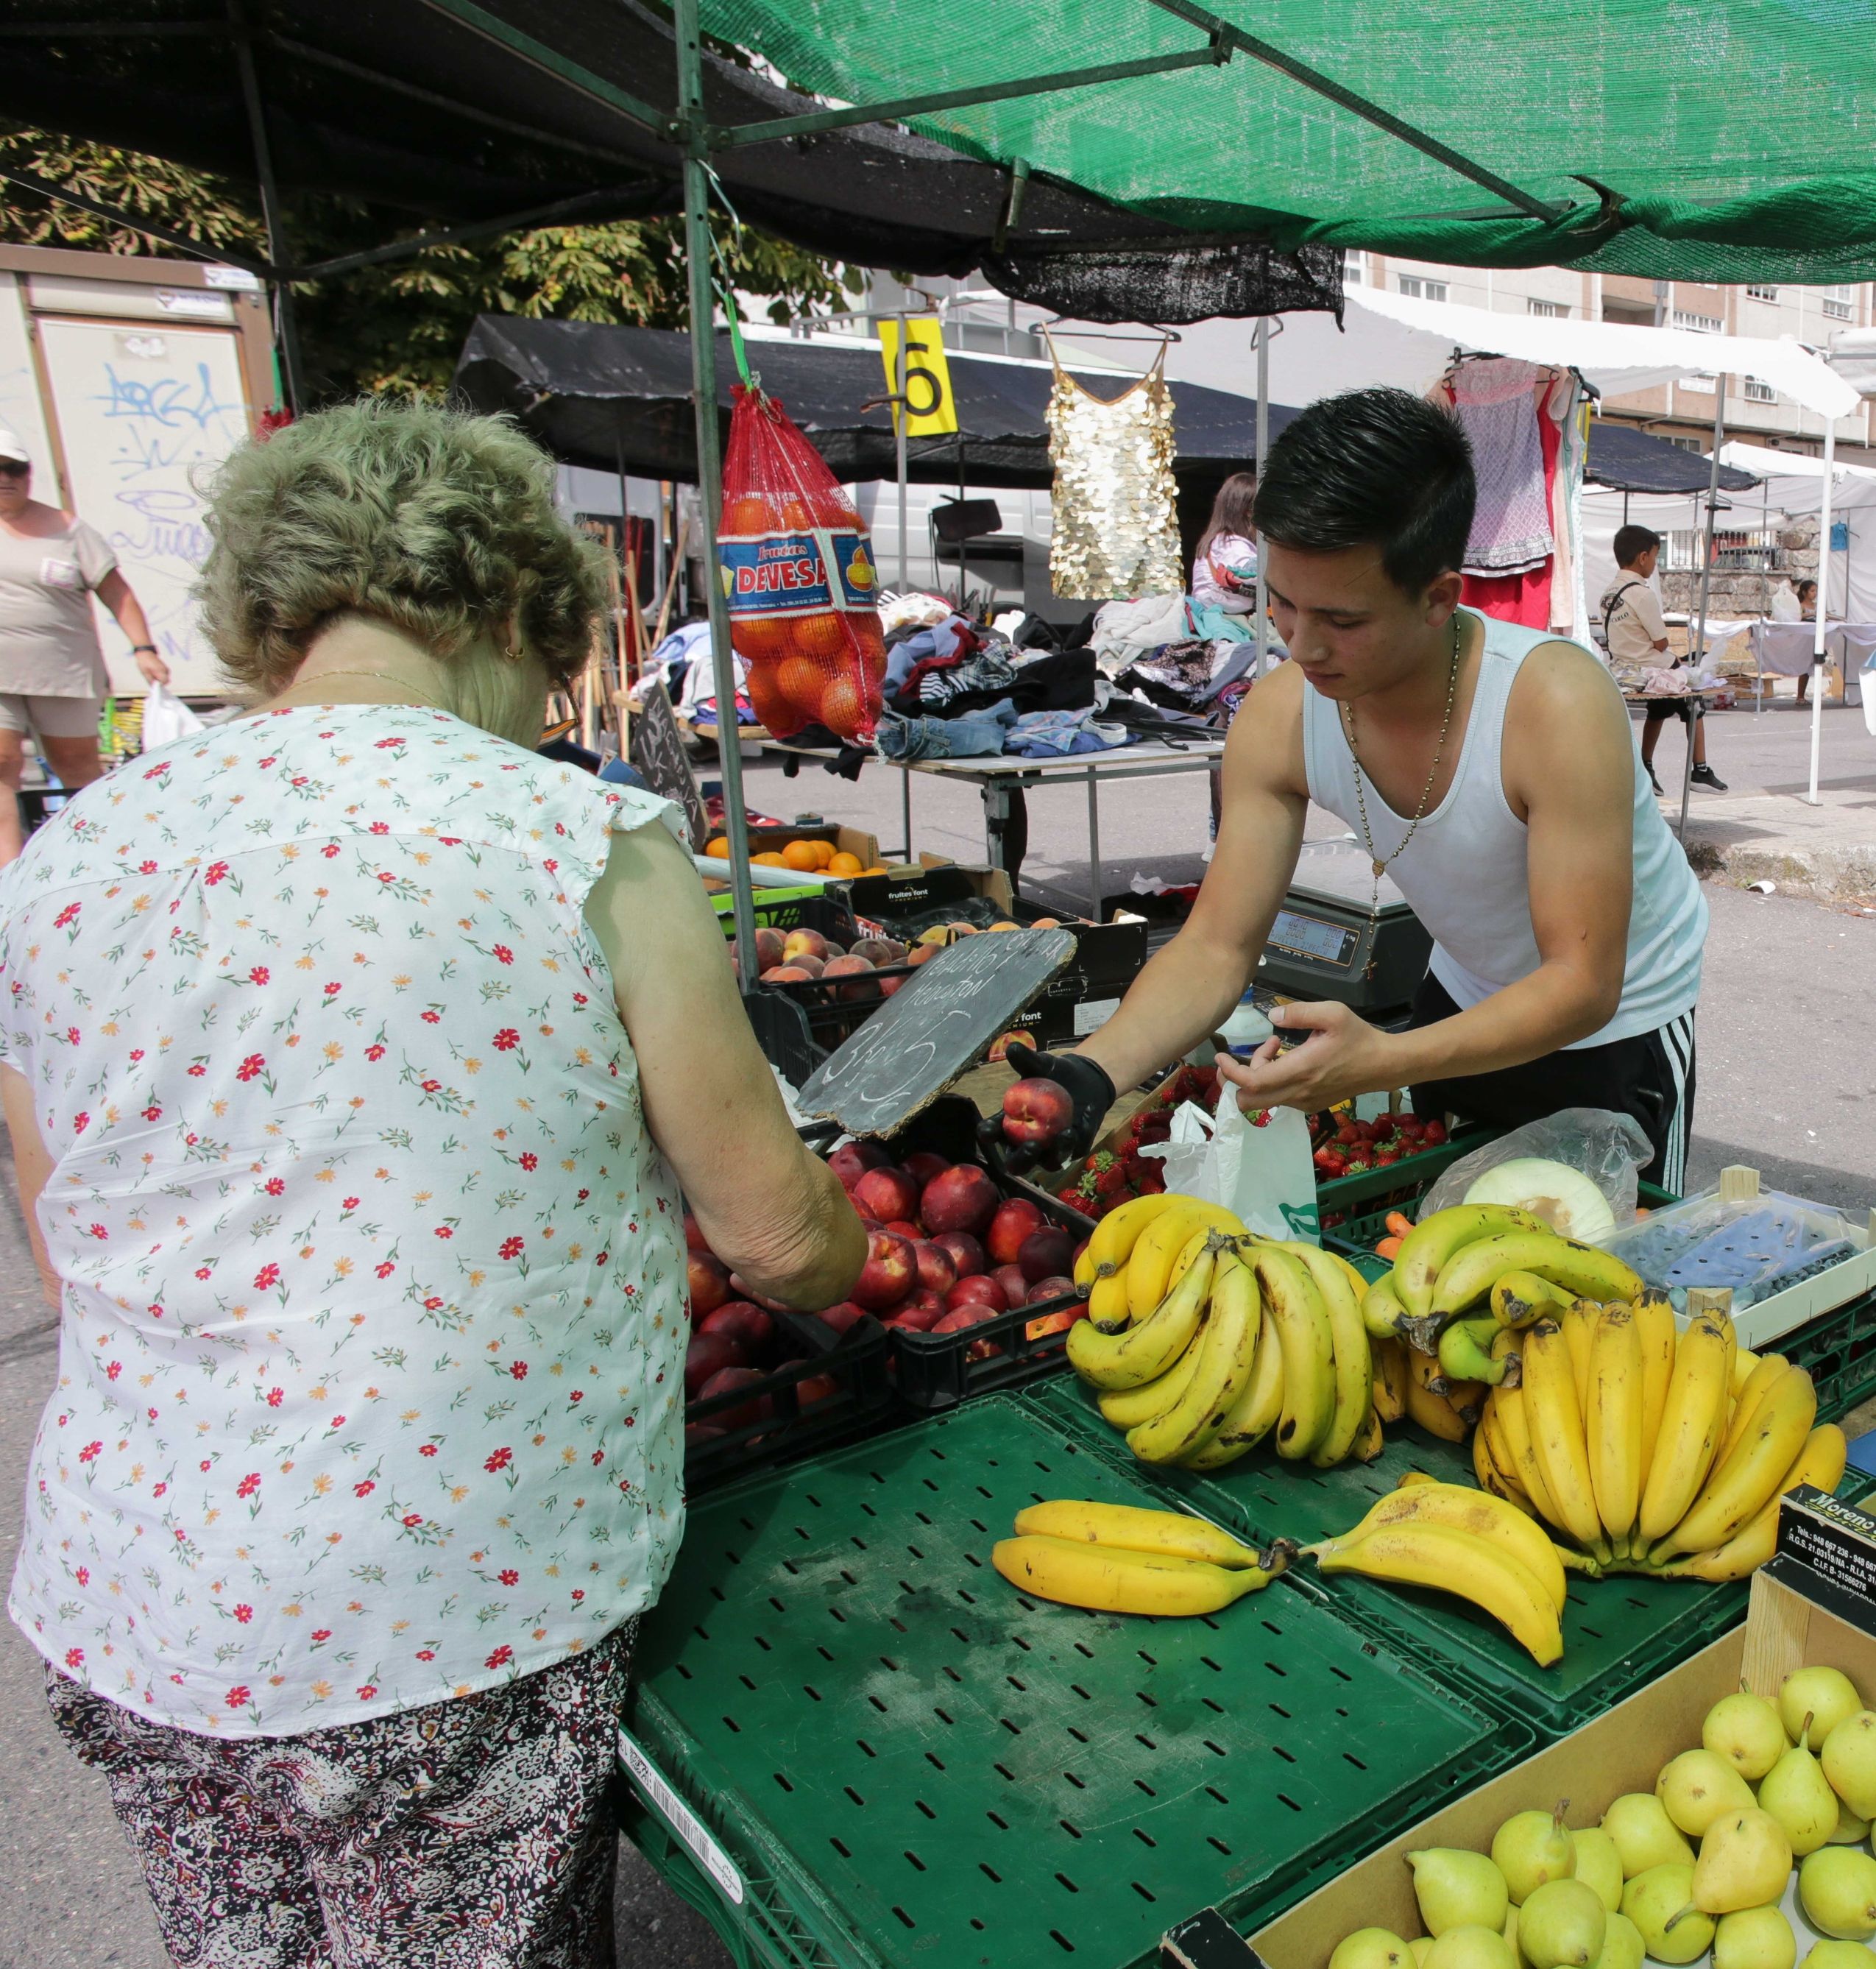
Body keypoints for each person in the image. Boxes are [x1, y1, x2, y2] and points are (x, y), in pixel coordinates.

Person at [0, 400, 863, 1968]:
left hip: (127, 1601)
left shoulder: (62, 858)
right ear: (519, 609)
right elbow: (775, 1236)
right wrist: (836, 1225)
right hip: (432, 1616)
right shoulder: (576, 837)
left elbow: (72, 1245)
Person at [1005, 387, 1707, 1192]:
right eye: (1281, 603)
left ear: (1437, 597)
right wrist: (1093, 1071)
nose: (1301, 645)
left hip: (1615, 1029)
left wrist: (1383, 1054)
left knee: (1605, 1270)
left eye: (1340, 620)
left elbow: (1581, 984)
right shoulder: (1279, 717)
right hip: (1465, 993)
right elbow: (1214, 946)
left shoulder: (1552, 706)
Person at [0, 423, 169, 866]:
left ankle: (96, 860)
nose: (5, 478)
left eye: (14, 469)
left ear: (30, 474)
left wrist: (143, 648)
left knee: (76, 767)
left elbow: (117, 592)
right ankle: (8, 878)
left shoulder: (68, 530)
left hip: (65, 672)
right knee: (0, 767)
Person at [1600, 525, 1726, 796]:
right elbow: (1661, 642)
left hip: (1621, 668)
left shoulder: (1608, 594)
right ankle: (1700, 769)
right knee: (1694, 703)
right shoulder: (1642, 594)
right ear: (1643, 558)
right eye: (1656, 557)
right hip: (1651, 667)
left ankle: (1645, 764)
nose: (1655, 564)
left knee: (1660, 708)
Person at [1192, 471, 1260, 614]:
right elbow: (1256, 585)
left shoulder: (1217, 541)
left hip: (1208, 616)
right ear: (1248, 511)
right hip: (1228, 620)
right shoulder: (1235, 546)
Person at [1794, 578, 1821, 705]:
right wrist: (1814, 614)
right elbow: (1797, 616)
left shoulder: (1817, 606)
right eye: (1812, 591)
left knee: (1811, 666)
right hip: (1803, 639)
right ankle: (1800, 696)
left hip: (1814, 639)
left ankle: (1802, 696)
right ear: (1805, 592)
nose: (1815, 593)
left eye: (1816, 591)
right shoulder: (1800, 606)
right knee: (1804, 666)